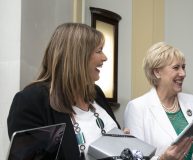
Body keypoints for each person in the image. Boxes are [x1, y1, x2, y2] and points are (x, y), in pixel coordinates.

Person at [7, 23, 120, 160]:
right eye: (99, 51)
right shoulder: (31, 101)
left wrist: (123, 143)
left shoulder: (96, 93)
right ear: (77, 56)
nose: (104, 57)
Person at [124, 42, 193, 160]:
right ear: (157, 72)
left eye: (183, 67)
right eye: (176, 67)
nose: (183, 73)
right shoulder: (137, 107)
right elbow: (135, 157)